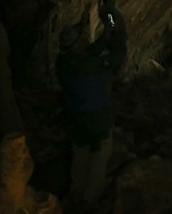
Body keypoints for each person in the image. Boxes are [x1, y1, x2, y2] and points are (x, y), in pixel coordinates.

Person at [56, 21, 115, 207]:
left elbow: (90, 52)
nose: (85, 41)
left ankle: (76, 192)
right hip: (98, 119)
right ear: (76, 44)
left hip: (77, 118)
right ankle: (89, 202)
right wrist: (116, 38)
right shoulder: (90, 65)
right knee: (99, 158)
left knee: (80, 155)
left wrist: (106, 34)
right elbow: (113, 60)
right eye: (81, 39)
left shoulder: (62, 62)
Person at [98, 0, 127, 75]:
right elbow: (111, 25)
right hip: (115, 42)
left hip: (116, 41)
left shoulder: (107, 9)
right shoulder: (109, 12)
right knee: (115, 64)